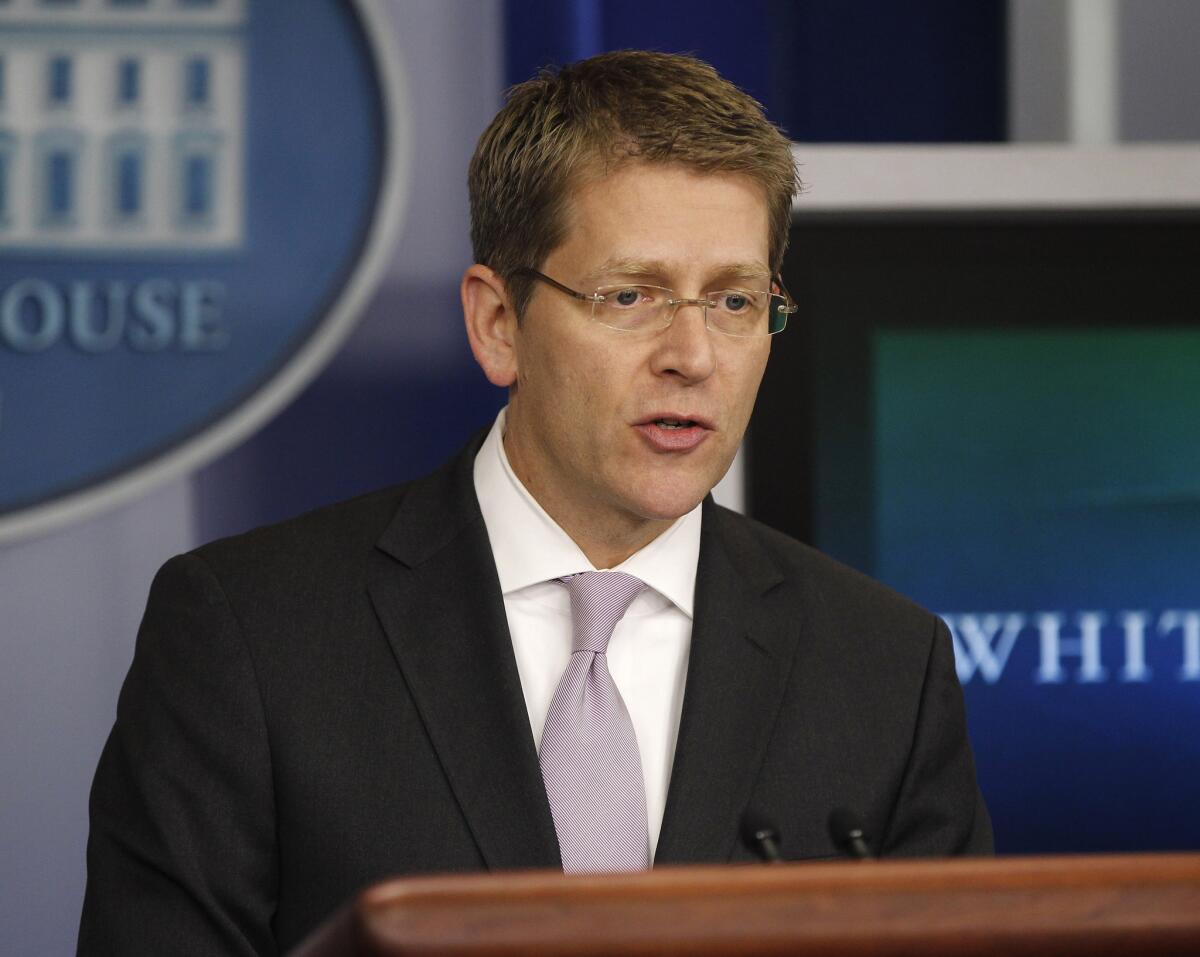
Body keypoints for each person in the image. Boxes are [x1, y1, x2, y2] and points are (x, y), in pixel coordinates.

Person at [79, 50, 992, 956]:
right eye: (631, 294)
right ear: (498, 324)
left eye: (734, 300)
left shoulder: (882, 669)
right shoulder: (250, 633)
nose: (694, 355)